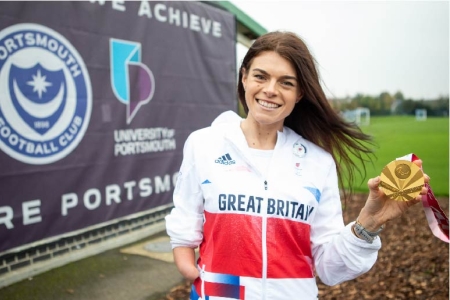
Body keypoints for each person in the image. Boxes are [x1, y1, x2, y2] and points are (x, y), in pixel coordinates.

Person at [165, 31, 429, 300]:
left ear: (300, 93)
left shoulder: (318, 162)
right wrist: (185, 259)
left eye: (286, 83)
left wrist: (369, 223)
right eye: (261, 76)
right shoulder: (203, 144)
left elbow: (329, 268)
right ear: (244, 77)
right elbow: (186, 216)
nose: (270, 89)